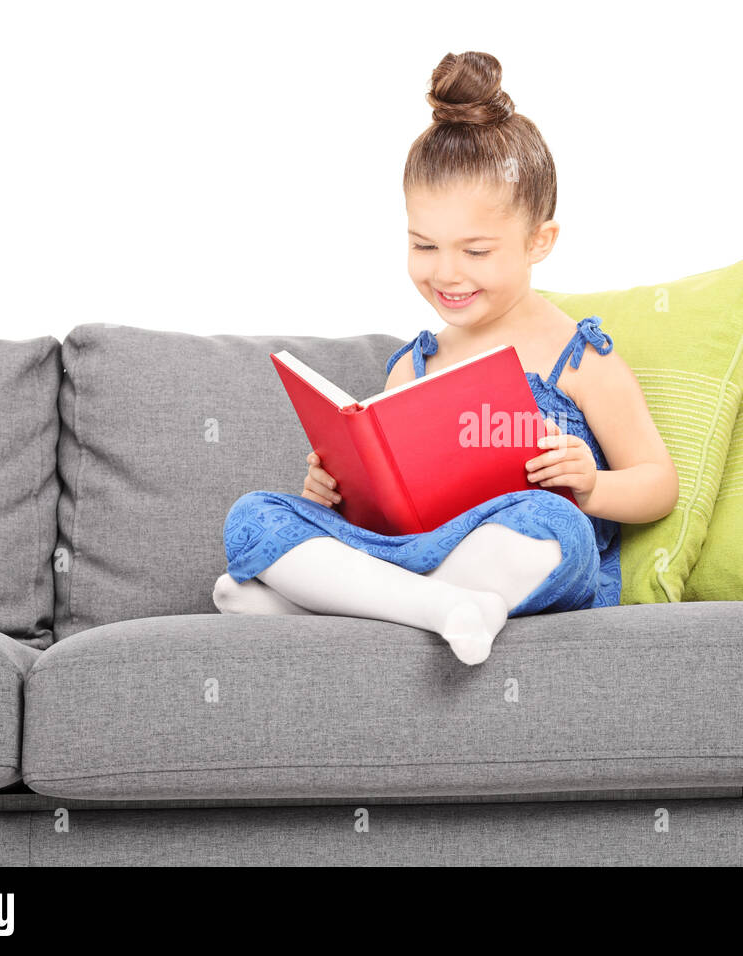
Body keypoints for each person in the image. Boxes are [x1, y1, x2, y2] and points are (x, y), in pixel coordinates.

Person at [213, 51, 678, 665]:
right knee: (252, 517)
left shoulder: (578, 357)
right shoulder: (414, 365)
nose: (447, 273)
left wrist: (590, 487)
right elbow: (391, 517)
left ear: (539, 241)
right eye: (424, 246)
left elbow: (658, 484)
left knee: (556, 524)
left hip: (517, 551)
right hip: (415, 553)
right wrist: (338, 493)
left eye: (476, 251)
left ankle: (345, 603)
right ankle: (442, 608)